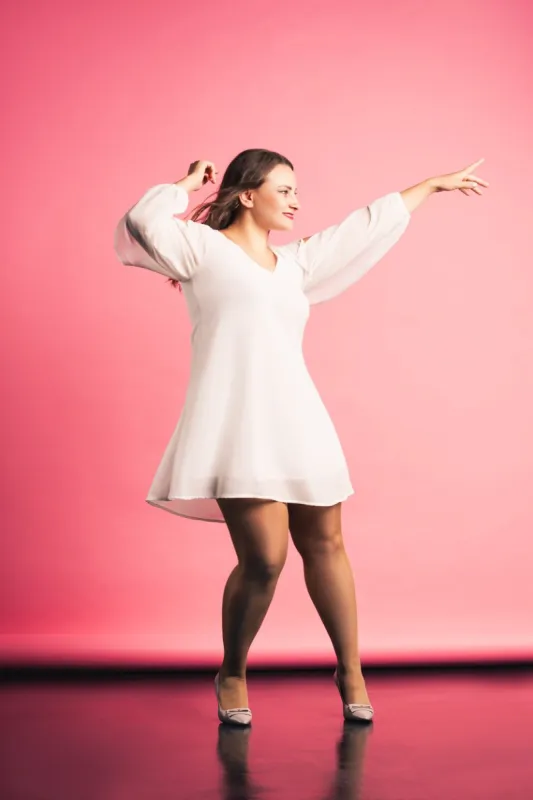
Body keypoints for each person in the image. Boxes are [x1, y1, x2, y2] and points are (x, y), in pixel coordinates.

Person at [113, 149, 488, 726]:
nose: (295, 200)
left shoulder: (296, 265)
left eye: (296, 190)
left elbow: (362, 228)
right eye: (283, 189)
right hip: (236, 424)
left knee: (328, 545)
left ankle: (351, 669)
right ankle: (233, 670)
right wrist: (187, 183)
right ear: (246, 195)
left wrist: (430, 186)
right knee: (264, 558)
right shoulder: (201, 250)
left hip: (299, 418)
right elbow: (143, 221)